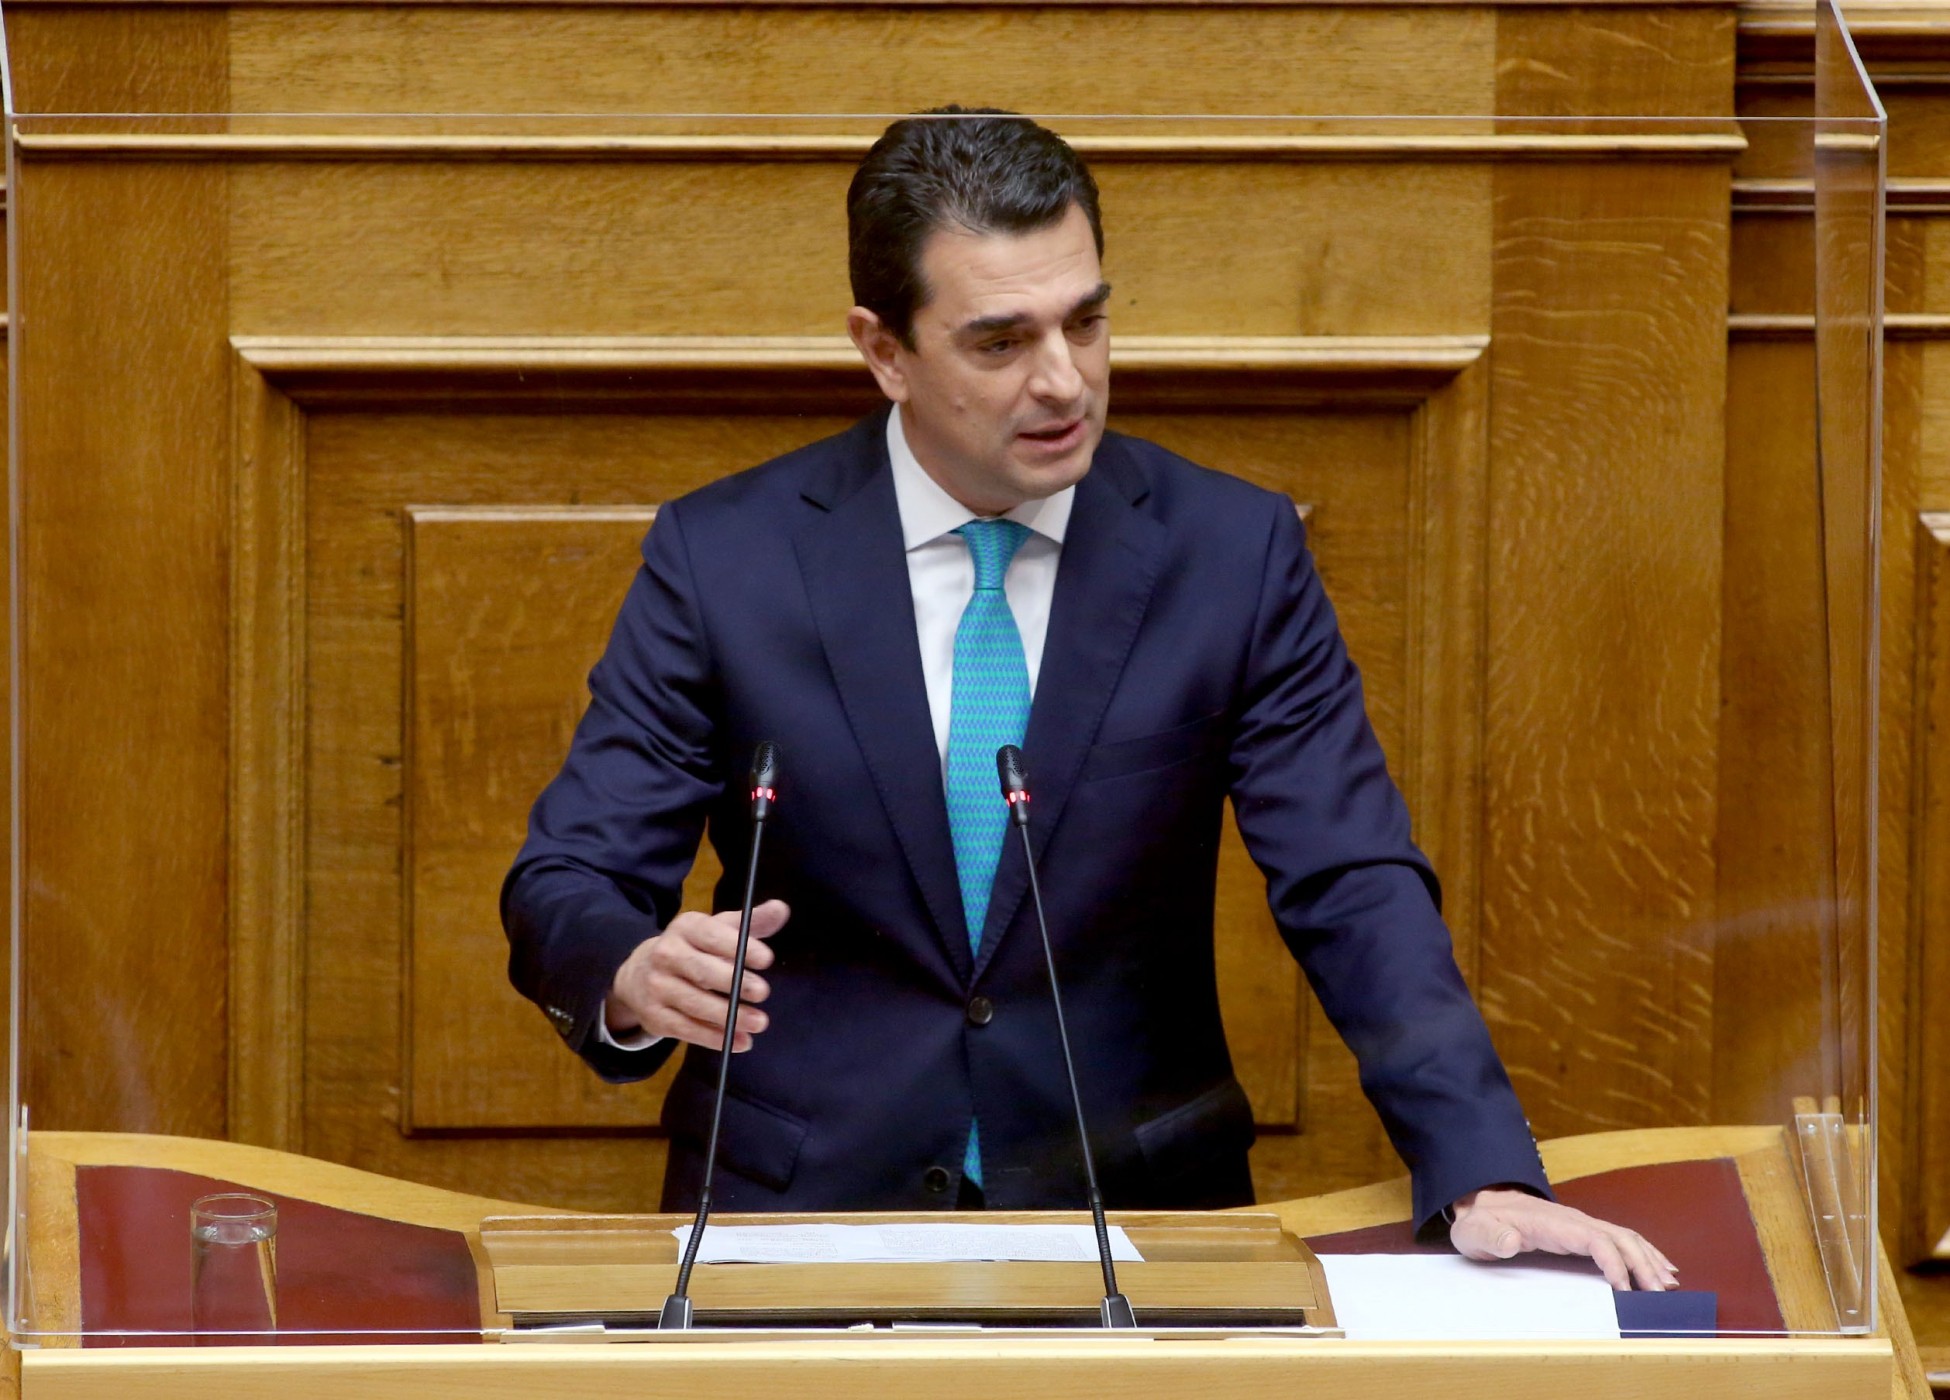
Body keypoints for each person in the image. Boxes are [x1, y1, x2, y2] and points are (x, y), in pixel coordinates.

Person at [502, 108, 1677, 1291]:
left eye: (1087, 321)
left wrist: (1479, 1163)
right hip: (799, 1216)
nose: (1064, 380)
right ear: (885, 350)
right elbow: (570, 875)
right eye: (1001, 341)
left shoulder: (1232, 554)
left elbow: (1351, 878)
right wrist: (632, 974)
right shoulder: (727, 560)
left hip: (1140, 1211)